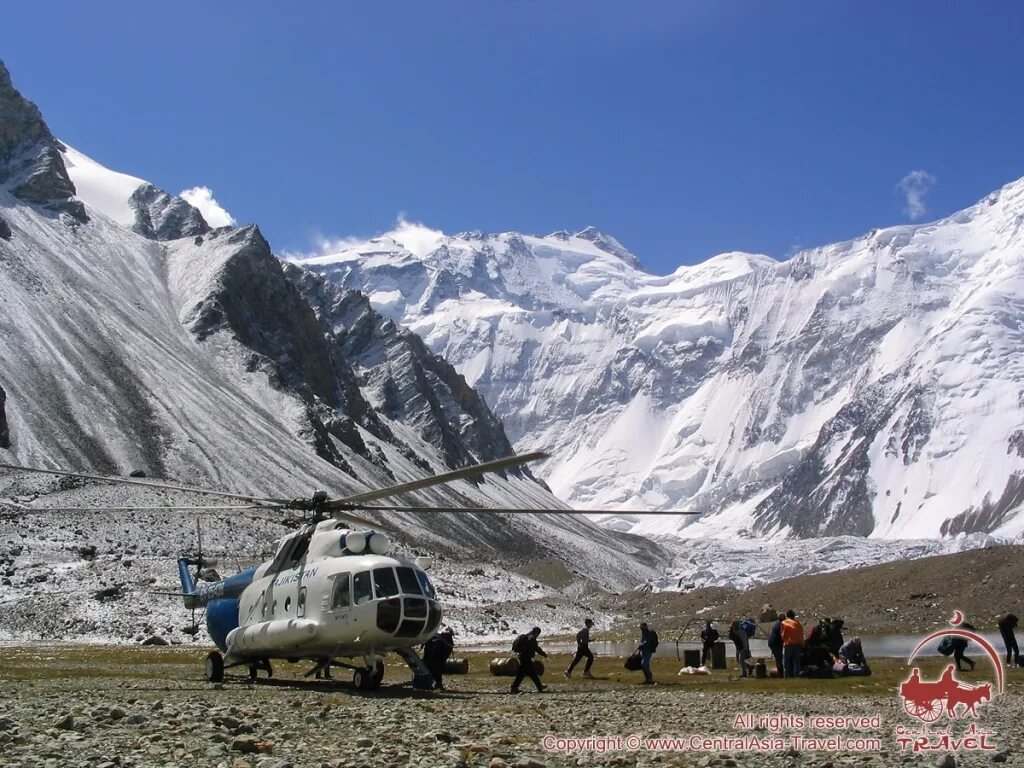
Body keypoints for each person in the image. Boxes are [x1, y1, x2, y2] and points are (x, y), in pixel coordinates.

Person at [511, 627, 548, 693]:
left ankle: (514, 687)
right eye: (538, 633)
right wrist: (543, 654)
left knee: (522, 674)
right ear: (536, 632)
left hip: (522, 657)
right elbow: (536, 648)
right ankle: (540, 688)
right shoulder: (532, 638)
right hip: (526, 658)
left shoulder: (526, 636)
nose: (538, 635)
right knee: (532, 673)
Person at [781, 610, 804, 678]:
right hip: (797, 644)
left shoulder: (784, 623)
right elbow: (801, 634)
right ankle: (797, 675)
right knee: (797, 662)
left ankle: (787, 675)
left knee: (786, 661)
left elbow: (783, 634)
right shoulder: (798, 623)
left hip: (789, 644)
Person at [767, 612, 785, 676]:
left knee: (779, 657)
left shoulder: (777, 623)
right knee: (779, 657)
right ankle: (780, 673)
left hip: (774, 642)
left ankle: (780, 672)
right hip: (775, 643)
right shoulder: (780, 624)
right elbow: (782, 635)